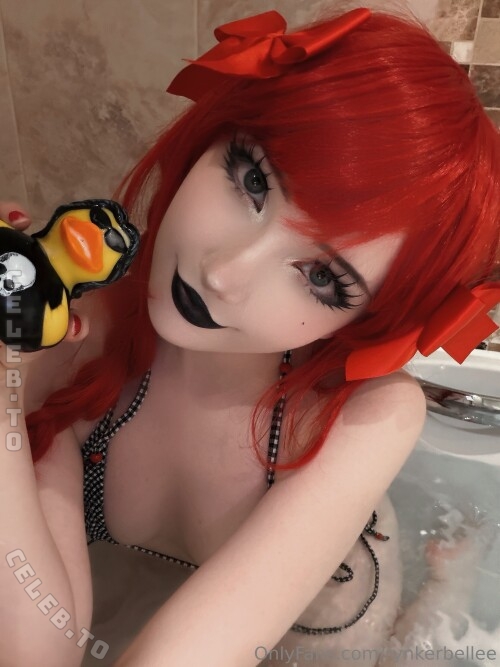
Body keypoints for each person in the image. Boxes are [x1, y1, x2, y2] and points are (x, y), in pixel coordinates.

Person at [1, 3, 499, 666]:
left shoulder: (369, 413)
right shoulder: (81, 329)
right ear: (214, 133)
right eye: (253, 180)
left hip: (324, 629)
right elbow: (37, 650)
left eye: (322, 276)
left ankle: (447, 582)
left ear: (369, 319)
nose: (225, 272)